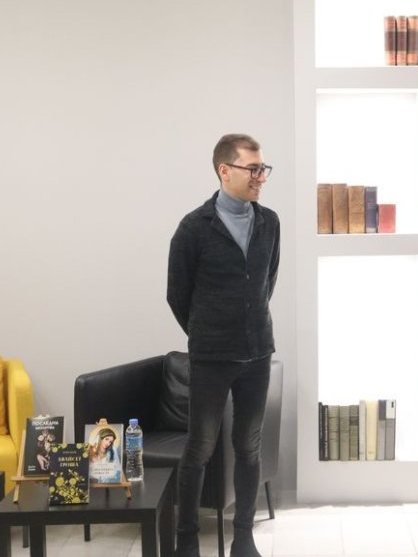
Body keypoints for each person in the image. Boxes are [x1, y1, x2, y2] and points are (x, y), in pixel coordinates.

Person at [167, 133, 280, 557]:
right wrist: (208, 332)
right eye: (253, 169)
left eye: (263, 169)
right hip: (211, 357)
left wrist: (248, 323)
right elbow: (177, 295)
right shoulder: (193, 228)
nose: (260, 177)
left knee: (248, 447)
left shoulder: (270, 223)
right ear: (225, 170)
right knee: (200, 448)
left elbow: (266, 282)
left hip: (258, 354)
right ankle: (187, 541)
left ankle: (243, 538)